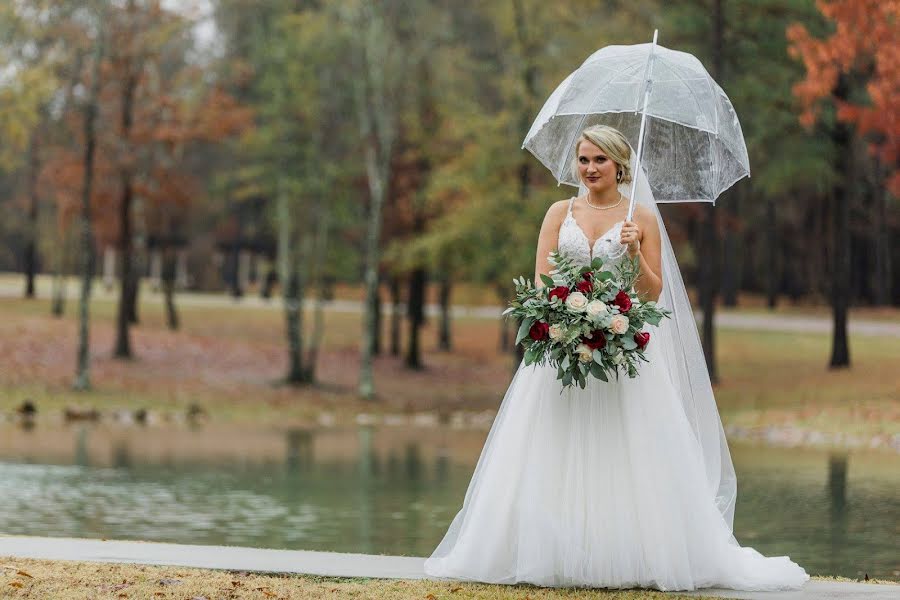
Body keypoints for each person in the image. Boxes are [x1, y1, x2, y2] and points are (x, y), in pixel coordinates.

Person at [423, 125, 810, 592]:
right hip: (561, 347)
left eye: (599, 161)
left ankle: (627, 553)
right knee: (552, 448)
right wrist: (566, 316)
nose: (589, 169)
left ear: (619, 165)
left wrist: (632, 254)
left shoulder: (641, 218)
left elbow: (653, 291)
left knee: (623, 452)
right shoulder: (557, 212)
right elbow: (543, 281)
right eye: (584, 160)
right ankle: (549, 550)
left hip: (623, 353)